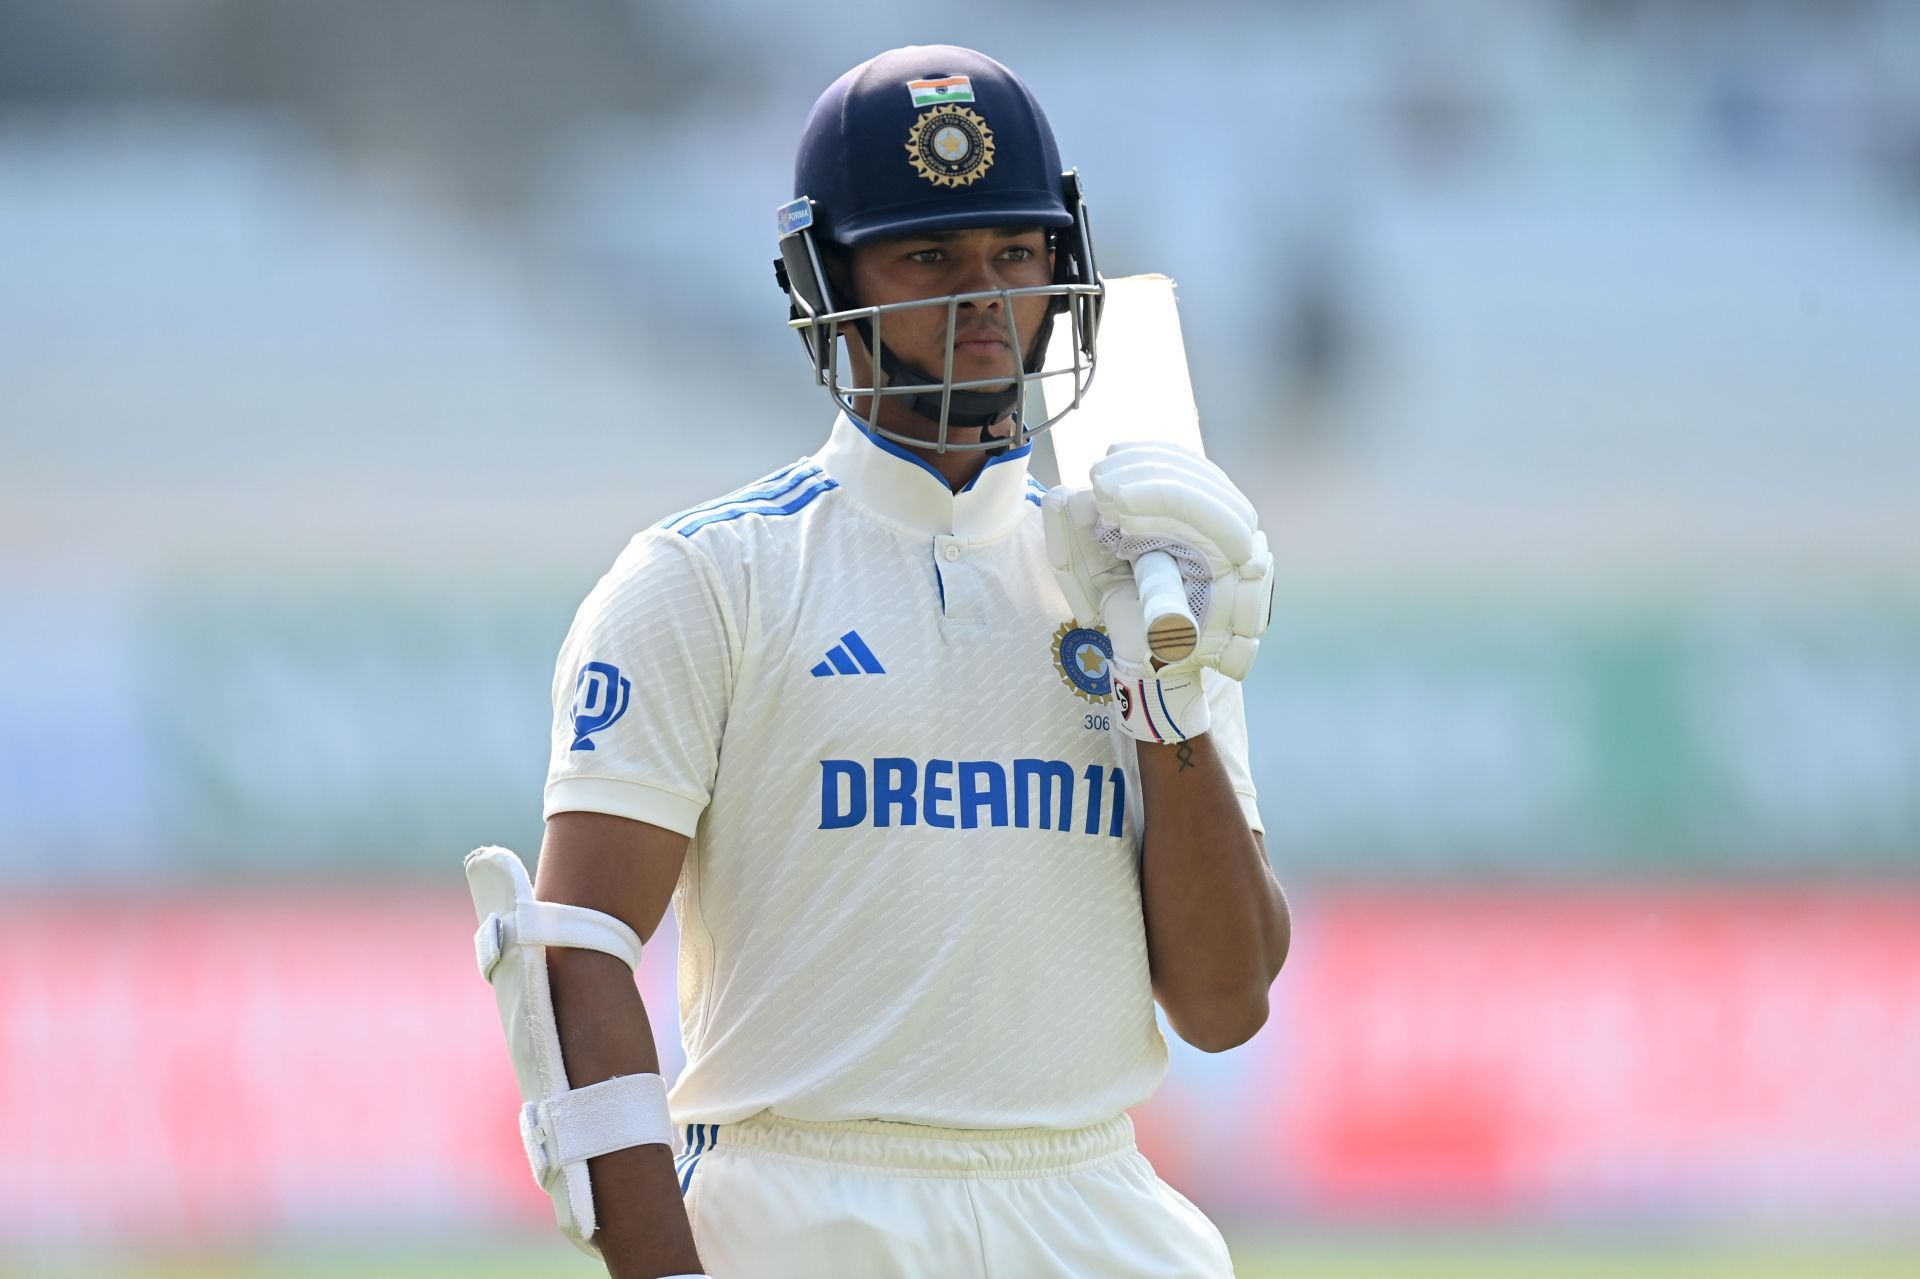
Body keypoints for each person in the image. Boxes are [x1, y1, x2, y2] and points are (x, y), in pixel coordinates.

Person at [501, 44, 1288, 1279]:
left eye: (1015, 253)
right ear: (824, 278)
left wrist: (1165, 703)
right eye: (928, 255)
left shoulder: (1157, 570)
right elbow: (576, 953)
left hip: (1088, 1200)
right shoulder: (706, 578)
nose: (986, 296)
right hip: (800, 1203)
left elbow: (1225, 1004)